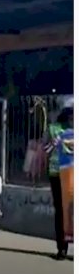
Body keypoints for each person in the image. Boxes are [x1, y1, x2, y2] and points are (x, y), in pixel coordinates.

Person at [44, 98, 74, 260]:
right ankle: (62, 248)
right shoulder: (54, 129)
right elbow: (45, 149)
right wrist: (54, 143)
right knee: (62, 212)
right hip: (57, 174)